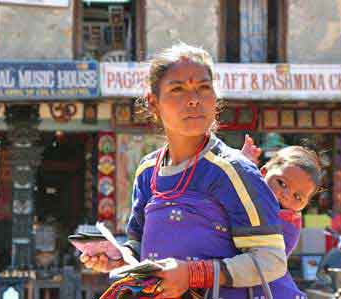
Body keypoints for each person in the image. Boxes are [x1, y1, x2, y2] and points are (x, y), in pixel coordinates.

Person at [81, 43, 291, 299]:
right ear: (153, 102)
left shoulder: (233, 170)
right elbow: (140, 248)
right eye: (177, 89)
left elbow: (271, 259)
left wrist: (193, 274)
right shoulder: (149, 171)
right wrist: (118, 257)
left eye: (203, 88)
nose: (193, 99)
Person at [242, 135, 325, 299]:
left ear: (304, 206)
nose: (286, 195)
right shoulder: (253, 193)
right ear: (263, 172)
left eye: (298, 197)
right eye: (282, 183)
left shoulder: (289, 223)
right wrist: (244, 165)